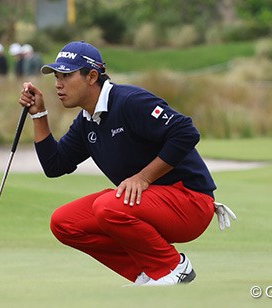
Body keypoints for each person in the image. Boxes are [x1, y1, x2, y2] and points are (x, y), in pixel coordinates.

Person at [18, 41, 234, 286]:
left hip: (190, 202)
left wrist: (143, 177)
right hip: (149, 204)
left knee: (107, 206)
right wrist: (39, 115)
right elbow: (54, 165)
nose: (58, 83)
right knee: (65, 222)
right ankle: (147, 273)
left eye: (66, 75)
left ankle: (173, 268)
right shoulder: (86, 121)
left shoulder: (130, 101)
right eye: (57, 76)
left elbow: (186, 132)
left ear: (91, 76)